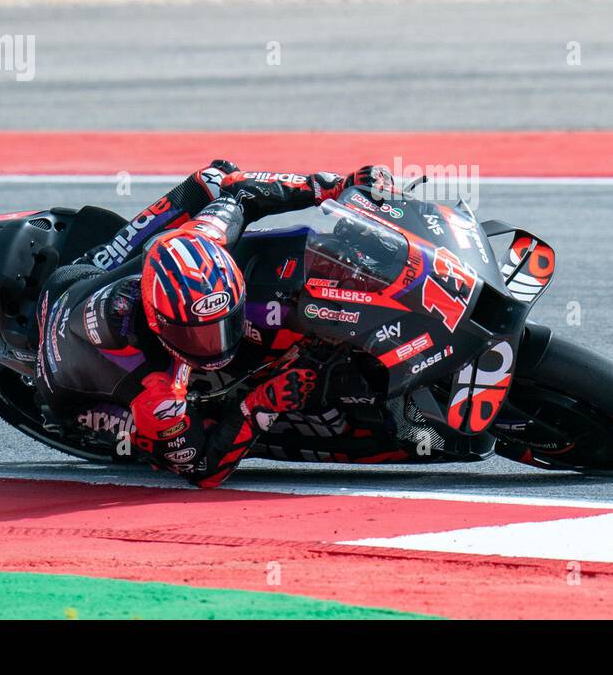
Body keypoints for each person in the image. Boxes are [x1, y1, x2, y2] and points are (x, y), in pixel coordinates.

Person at [34, 160, 393, 487]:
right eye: (198, 335)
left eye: (224, 323)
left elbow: (241, 190)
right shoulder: (158, 392)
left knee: (213, 178)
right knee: (171, 436)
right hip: (71, 389)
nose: (217, 342)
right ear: (161, 325)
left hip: (84, 283)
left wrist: (335, 188)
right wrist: (258, 402)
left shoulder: (202, 238)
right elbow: (204, 469)